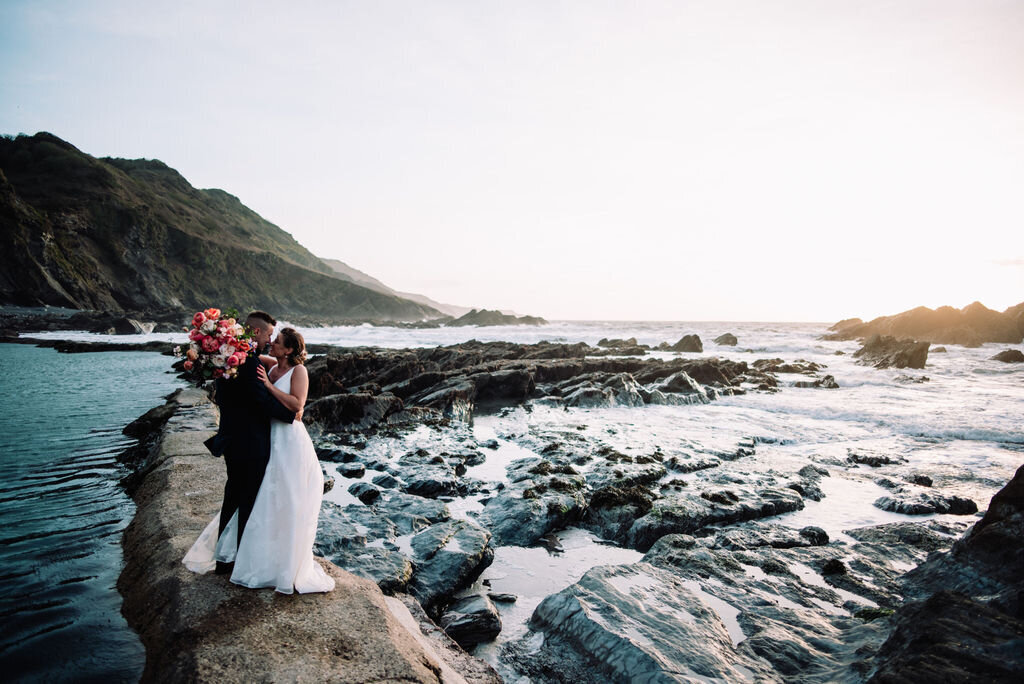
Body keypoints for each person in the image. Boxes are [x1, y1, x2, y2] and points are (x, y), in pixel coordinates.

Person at [184, 326, 334, 594]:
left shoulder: (298, 370)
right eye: (272, 339)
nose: (272, 344)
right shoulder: (270, 363)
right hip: (269, 437)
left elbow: (297, 405)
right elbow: (247, 358)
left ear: (289, 349)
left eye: (277, 342)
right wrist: (213, 349)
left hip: (288, 438)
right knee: (267, 496)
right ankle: (258, 553)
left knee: (286, 495)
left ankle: (281, 558)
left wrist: (267, 386)